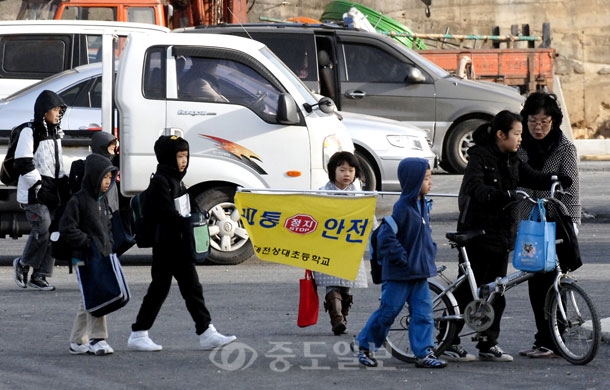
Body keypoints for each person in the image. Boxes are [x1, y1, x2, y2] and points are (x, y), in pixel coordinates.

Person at [441, 110, 572, 363]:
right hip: (476, 233)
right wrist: (501, 195)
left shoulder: (512, 158)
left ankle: (487, 344)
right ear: (501, 135)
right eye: (517, 134)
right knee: (470, 290)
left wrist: (558, 179)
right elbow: (475, 188)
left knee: (496, 292)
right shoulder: (480, 156)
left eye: (521, 134)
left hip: (501, 235)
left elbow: (533, 177)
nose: (520, 139)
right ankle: (447, 340)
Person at [127, 135, 236, 352]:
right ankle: (140, 333)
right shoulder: (160, 181)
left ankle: (205, 332)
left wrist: (198, 216)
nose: (184, 160)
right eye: (179, 156)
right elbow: (166, 214)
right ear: (168, 157)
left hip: (177, 244)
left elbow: (190, 206)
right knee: (166, 288)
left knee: (185, 288)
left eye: (186, 155)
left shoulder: (177, 180)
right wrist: (187, 221)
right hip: (166, 245)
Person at [352, 158, 447, 369]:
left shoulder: (422, 205)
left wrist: (428, 252)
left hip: (418, 274)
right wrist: (402, 258)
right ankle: (365, 346)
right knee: (388, 312)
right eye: (426, 179)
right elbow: (386, 237)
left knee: (423, 314)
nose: (430, 183)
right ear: (413, 181)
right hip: (399, 275)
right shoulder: (403, 207)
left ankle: (424, 352)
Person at [517, 92, 581, 359]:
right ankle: (543, 338)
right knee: (535, 280)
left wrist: (574, 221)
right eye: (533, 121)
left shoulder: (565, 148)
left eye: (544, 121)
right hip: (529, 223)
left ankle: (555, 338)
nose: (539, 127)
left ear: (554, 121)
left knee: (556, 279)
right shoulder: (519, 147)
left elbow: (573, 186)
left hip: (556, 222)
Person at [59, 153, 118, 355]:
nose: (107, 182)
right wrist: (87, 242)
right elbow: (67, 228)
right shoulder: (79, 200)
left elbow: (107, 227)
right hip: (84, 257)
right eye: (104, 177)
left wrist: (108, 246)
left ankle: (77, 341)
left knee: (87, 299)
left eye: (110, 178)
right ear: (93, 176)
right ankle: (98, 339)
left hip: (99, 256)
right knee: (96, 296)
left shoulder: (101, 201)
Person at [13, 90, 70, 291]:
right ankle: (22, 264)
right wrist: (37, 184)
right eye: (54, 109)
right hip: (34, 193)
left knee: (53, 232)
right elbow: (23, 161)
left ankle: (40, 275)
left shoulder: (56, 133)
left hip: (52, 191)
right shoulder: (30, 131)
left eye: (59, 110)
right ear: (44, 110)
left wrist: (64, 182)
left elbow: (56, 163)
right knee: (43, 228)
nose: (58, 113)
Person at [313, 151, 368, 335]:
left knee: (346, 285)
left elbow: (368, 219)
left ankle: (343, 316)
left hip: (350, 246)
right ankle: (336, 319)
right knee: (332, 283)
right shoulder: (322, 193)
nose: (347, 174)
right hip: (329, 246)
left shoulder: (360, 196)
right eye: (342, 169)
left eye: (351, 170)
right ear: (333, 171)